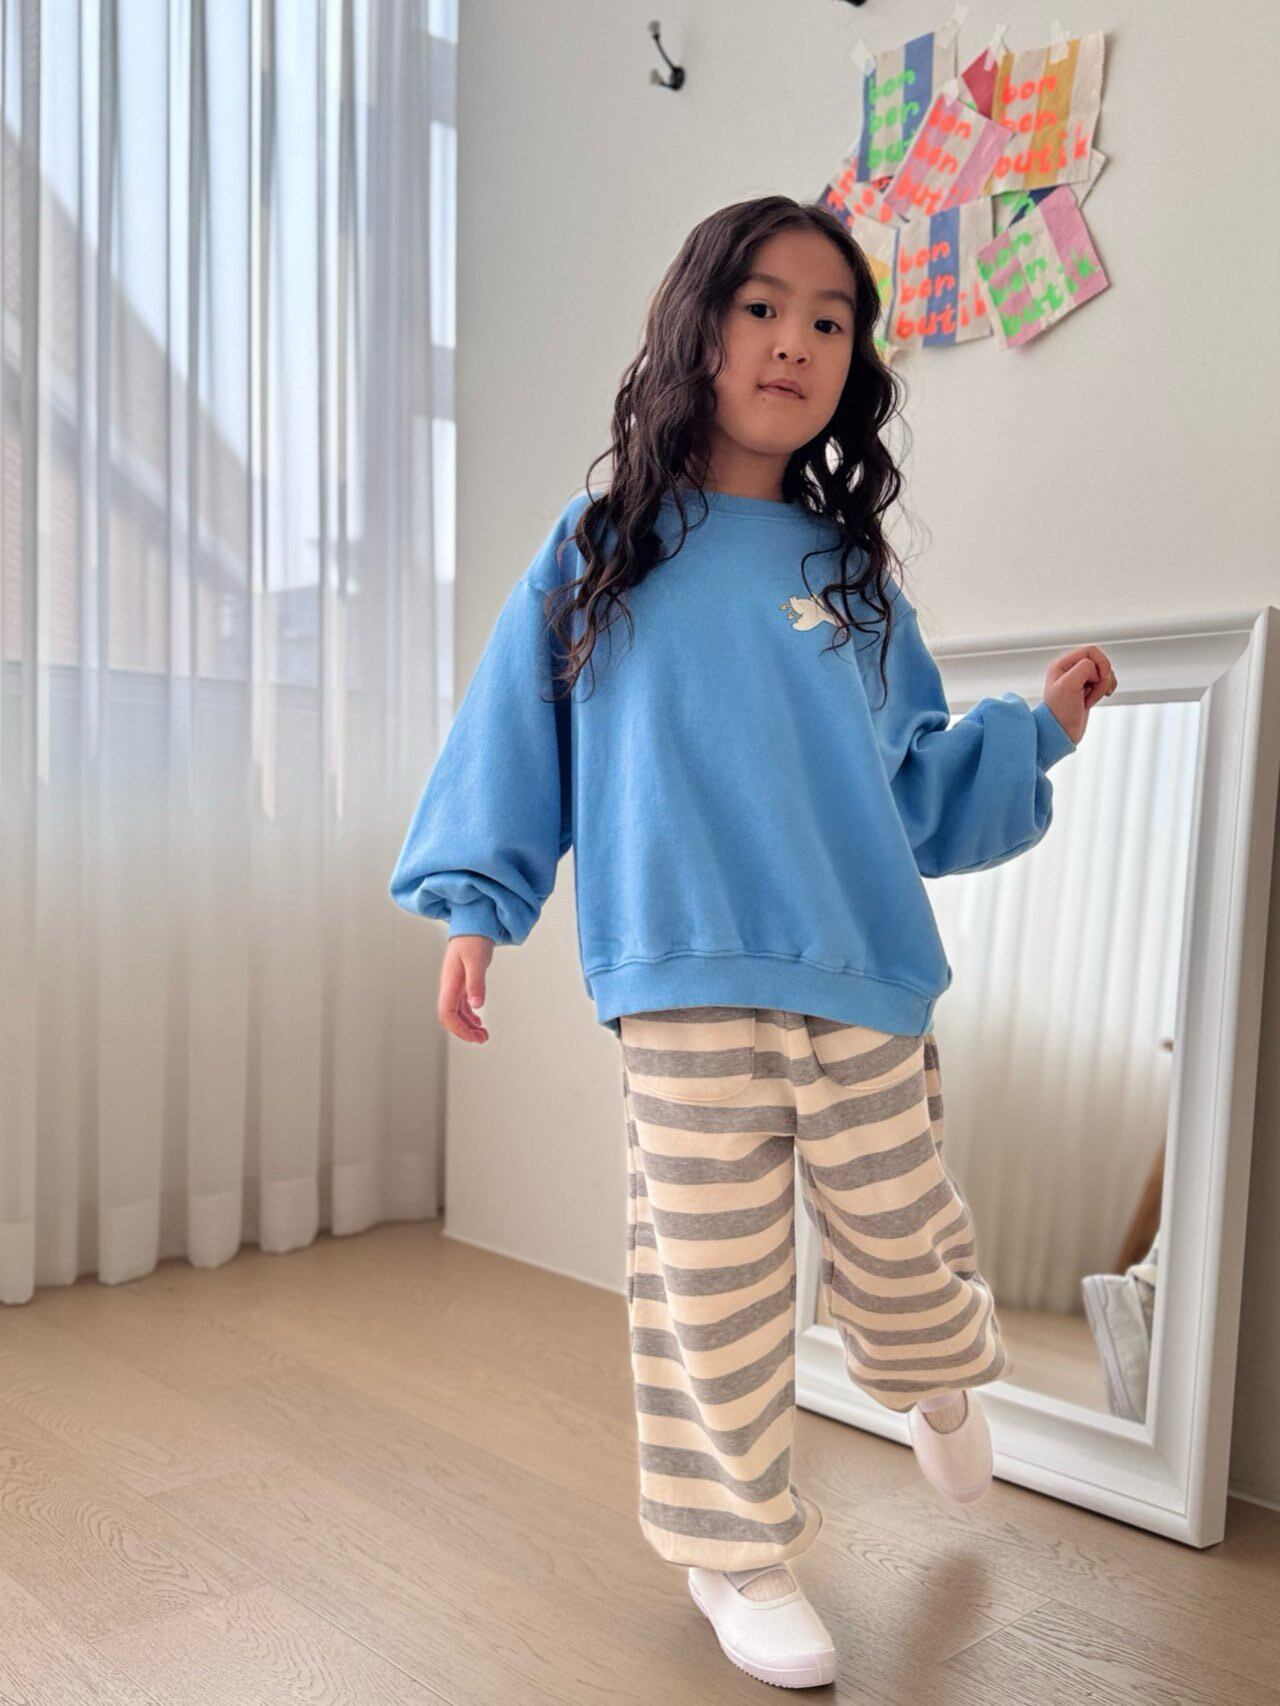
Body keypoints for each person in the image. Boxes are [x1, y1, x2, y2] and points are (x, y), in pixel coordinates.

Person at [389, 195, 1116, 1691]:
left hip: (862, 971)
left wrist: (1037, 730)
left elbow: (915, 793)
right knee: (708, 1292)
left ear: (854, 361)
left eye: (829, 320)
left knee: (903, 1249)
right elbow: (512, 736)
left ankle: (934, 1376)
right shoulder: (603, 550)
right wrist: (477, 905)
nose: (795, 341)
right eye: (762, 306)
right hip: (683, 979)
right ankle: (732, 1549)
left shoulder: (854, 581)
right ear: (698, 327)